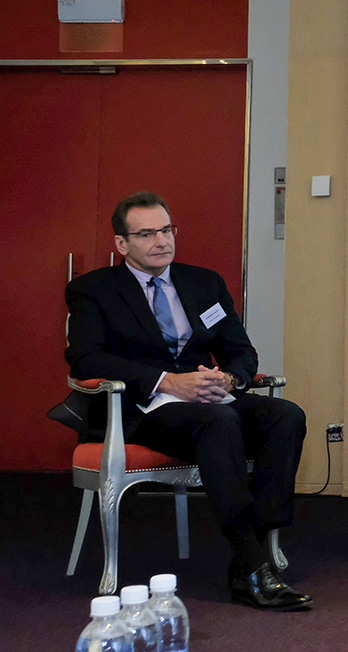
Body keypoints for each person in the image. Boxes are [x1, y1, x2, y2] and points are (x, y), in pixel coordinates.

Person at [64, 192, 310, 611]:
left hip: (208, 396)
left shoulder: (203, 283)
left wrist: (229, 378)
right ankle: (253, 566)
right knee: (218, 423)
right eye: (146, 233)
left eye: (166, 230)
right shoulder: (93, 290)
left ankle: (253, 553)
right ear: (122, 243)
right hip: (144, 408)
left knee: (285, 415)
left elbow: (240, 350)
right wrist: (168, 381)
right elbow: (87, 357)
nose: (161, 241)